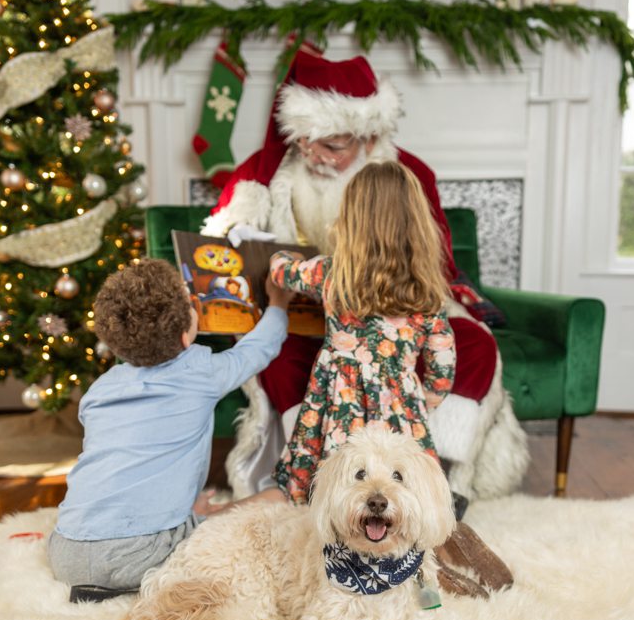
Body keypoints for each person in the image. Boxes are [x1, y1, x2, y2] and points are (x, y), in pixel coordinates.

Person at [201, 49, 529, 516]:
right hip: (307, 321)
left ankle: (432, 481)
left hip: (352, 344)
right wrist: (422, 398)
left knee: (476, 344)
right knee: (275, 355)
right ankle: (364, 485)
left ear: (370, 136)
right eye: (307, 140)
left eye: (332, 145)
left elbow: (433, 272)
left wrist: (283, 267)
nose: (316, 155)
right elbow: (224, 253)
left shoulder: (406, 176)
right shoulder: (266, 173)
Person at [47, 257, 291, 602]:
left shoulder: (100, 390)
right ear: (184, 334)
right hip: (139, 554)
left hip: (66, 550)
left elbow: (130, 458)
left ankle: (177, 528)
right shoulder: (200, 372)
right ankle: (141, 585)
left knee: (166, 497)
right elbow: (259, 347)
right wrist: (278, 304)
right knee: (277, 498)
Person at [270, 161, 456, 506]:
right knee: (407, 492)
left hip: (338, 404)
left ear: (351, 219)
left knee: (338, 484)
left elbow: (280, 271)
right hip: (402, 409)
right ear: (417, 226)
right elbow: (443, 369)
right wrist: (417, 399)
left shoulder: (330, 272)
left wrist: (286, 253)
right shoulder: (428, 293)